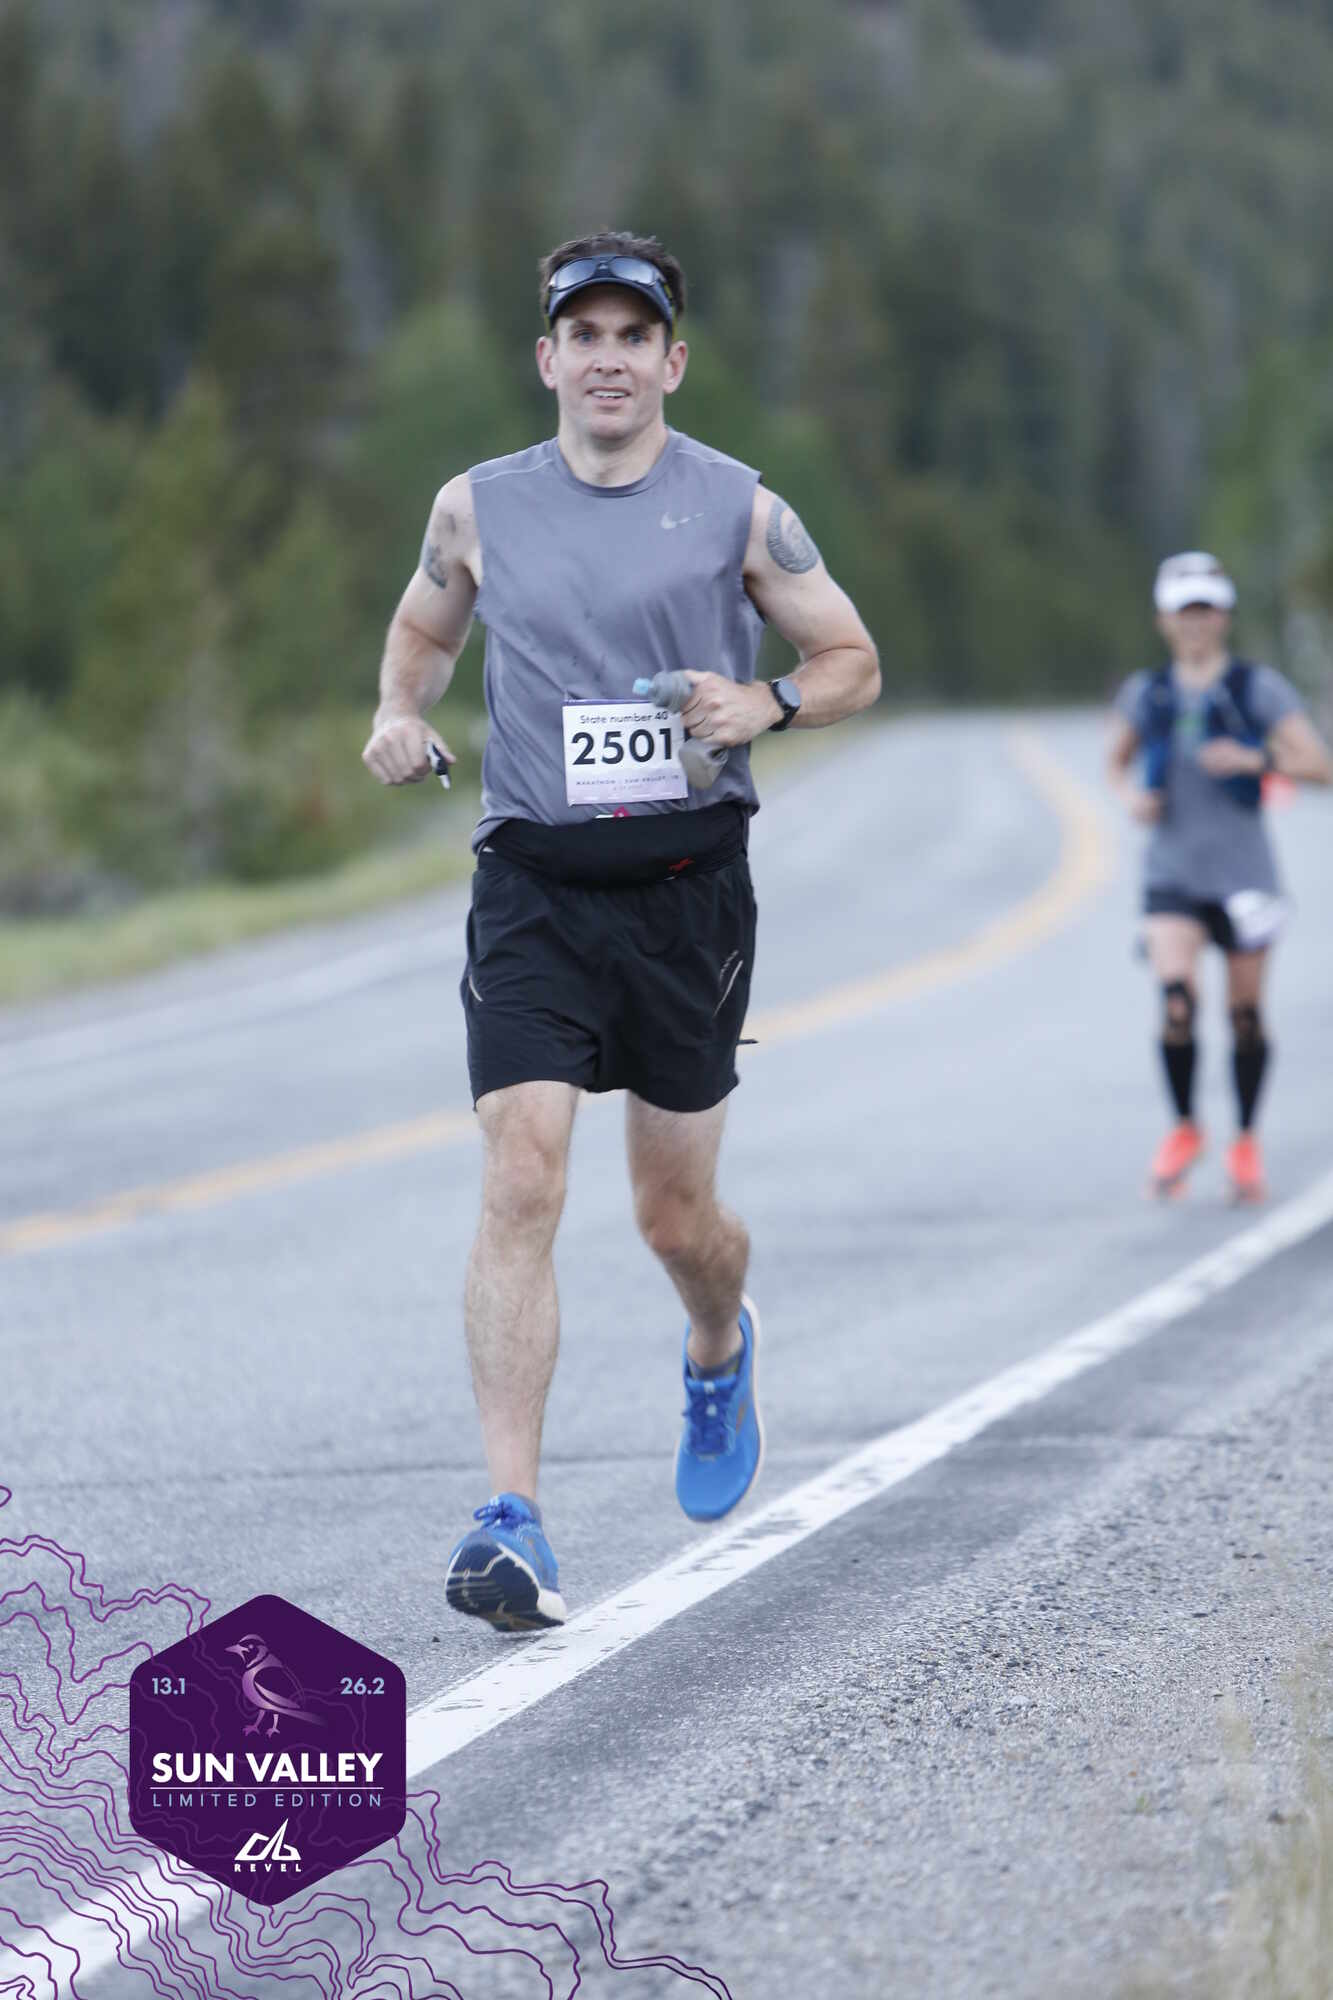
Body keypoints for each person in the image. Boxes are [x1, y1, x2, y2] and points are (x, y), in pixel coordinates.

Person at [362, 232, 880, 1631]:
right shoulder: (476, 507)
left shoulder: (738, 508)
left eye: (631, 336)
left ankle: (716, 1341)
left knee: (672, 1215)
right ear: (546, 359)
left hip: (686, 894)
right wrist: (398, 713)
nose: (606, 359)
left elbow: (850, 658)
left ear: (672, 361)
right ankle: (511, 1517)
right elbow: (425, 632)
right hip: (532, 884)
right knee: (521, 1175)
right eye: (581, 335)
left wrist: (764, 703)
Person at [1106, 551, 1331, 1202]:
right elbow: (1115, 763)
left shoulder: (1256, 689)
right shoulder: (1147, 693)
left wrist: (1255, 758)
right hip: (1172, 872)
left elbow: (1318, 765)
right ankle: (1185, 1127)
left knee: (1244, 1016)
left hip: (1243, 875)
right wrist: (1132, 799)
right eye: (1184, 611)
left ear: (1224, 616)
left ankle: (1245, 1141)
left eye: (1205, 609)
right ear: (1163, 620)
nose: (1195, 622)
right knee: (1176, 1003)